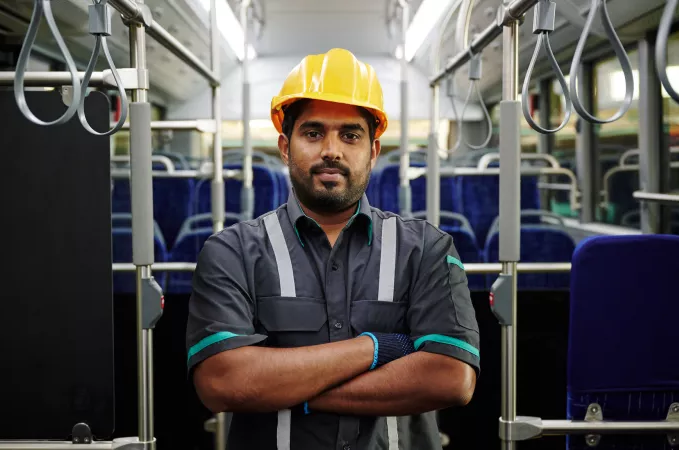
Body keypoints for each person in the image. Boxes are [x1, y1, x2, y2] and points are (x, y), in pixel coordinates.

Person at [186, 48, 480, 450]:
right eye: (313, 132)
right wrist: (375, 348)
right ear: (285, 147)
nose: (332, 149)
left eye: (350, 135)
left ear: (373, 151)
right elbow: (224, 381)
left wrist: (283, 389)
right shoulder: (230, 252)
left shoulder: (426, 249)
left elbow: (451, 378)